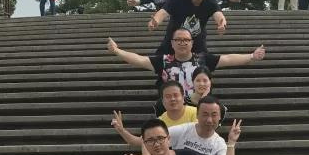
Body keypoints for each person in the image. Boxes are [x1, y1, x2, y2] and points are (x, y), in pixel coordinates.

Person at [107, 30, 265, 103]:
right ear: (172, 43)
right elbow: (139, 60)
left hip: (198, 107)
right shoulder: (163, 60)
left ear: (192, 43)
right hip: (172, 108)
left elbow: (228, 59)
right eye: (178, 40)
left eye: (186, 40)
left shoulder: (203, 59)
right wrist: (116, 51)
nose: (182, 43)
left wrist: (252, 56)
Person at [149, 0, 227, 55]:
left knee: (209, 62)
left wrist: (221, 24)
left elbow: (219, 15)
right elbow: (163, 12)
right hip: (172, 46)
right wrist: (156, 21)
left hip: (197, 47)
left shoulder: (210, 2)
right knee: (155, 60)